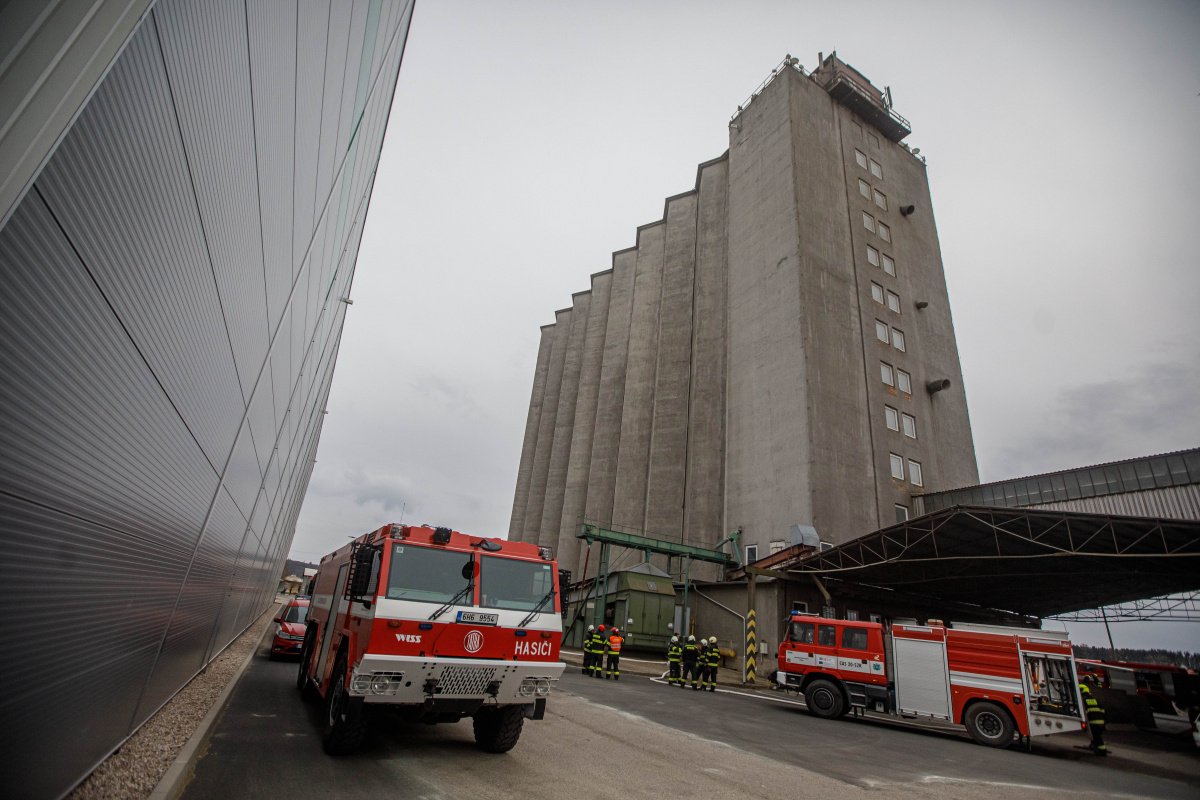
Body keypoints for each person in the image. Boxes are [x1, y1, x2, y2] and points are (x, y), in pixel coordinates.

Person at [1079, 675, 1107, 756]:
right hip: (1101, 721)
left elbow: (1084, 711)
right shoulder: (1094, 699)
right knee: (1096, 736)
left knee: (1097, 737)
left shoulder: (1083, 700)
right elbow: (1102, 710)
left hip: (1093, 722)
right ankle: (1094, 746)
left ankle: (1102, 751)